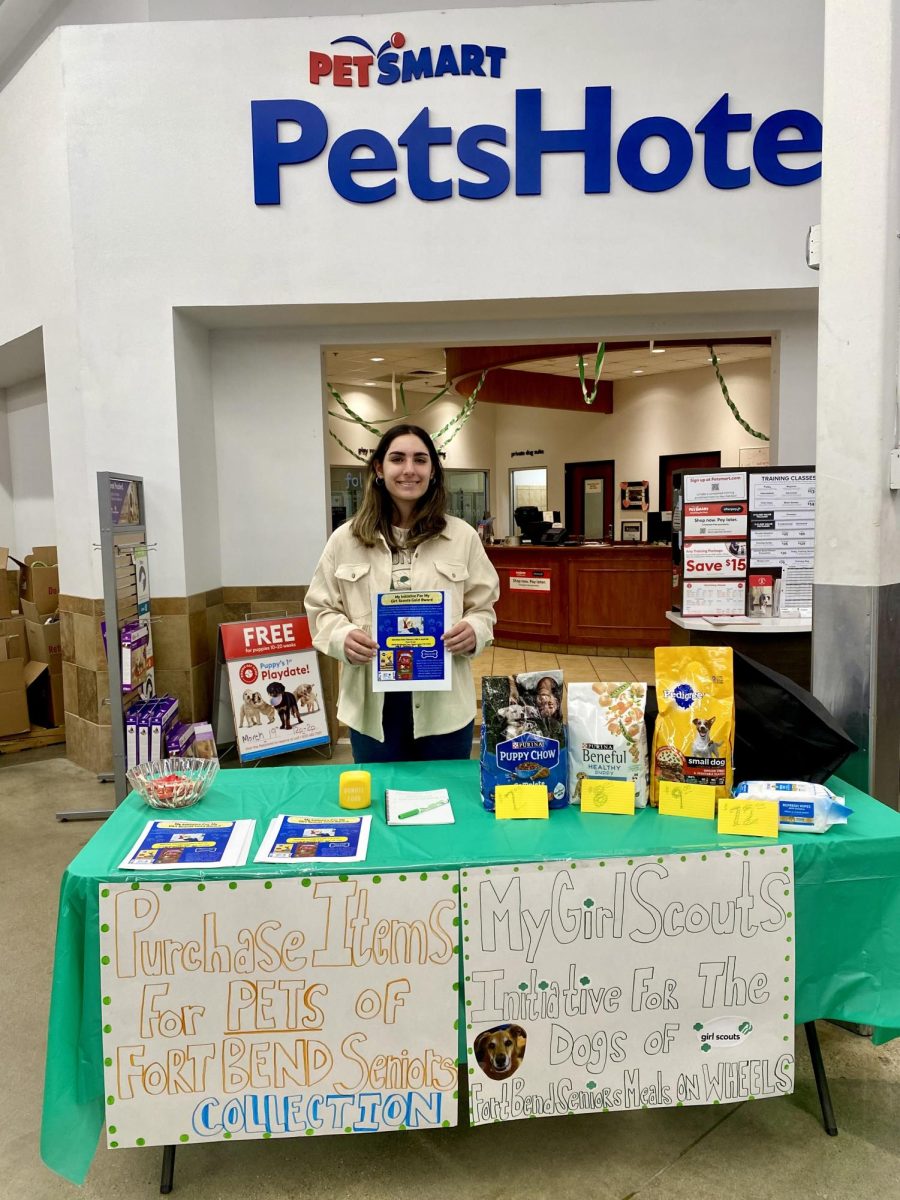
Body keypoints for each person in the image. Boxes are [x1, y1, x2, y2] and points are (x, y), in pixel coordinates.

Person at [305, 424, 500, 763]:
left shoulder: (463, 537)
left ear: (433, 471)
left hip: (445, 707)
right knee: (380, 805)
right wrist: (343, 636)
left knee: (447, 802)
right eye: (398, 459)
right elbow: (320, 608)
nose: (409, 469)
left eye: (420, 460)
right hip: (373, 708)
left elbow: (484, 608)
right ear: (379, 469)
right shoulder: (345, 540)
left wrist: (475, 631)